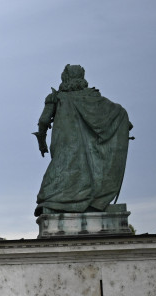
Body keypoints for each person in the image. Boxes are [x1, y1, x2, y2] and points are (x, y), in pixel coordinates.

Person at [34, 64, 132, 215]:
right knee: (85, 172)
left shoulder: (55, 97)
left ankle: (55, 202)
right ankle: (84, 201)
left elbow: (43, 121)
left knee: (61, 171)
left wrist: (42, 143)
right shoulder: (93, 98)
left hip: (65, 144)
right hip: (88, 148)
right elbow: (120, 112)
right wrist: (121, 127)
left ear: (65, 78)